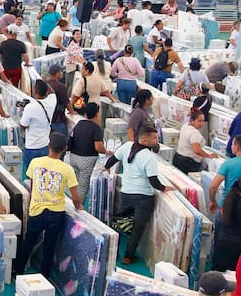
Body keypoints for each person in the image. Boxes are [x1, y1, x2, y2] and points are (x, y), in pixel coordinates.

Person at [17, 132, 82, 278]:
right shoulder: (67, 169)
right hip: (56, 213)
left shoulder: (36, 162)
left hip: (36, 210)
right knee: (49, 245)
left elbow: (33, 187)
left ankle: (18, 271)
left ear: (48, 145)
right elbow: (75, 197)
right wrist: (79, 207)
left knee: (28, 242)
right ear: (65, 148)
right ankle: (44, 276)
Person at [105, 122, 168, 266]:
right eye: (154, 138)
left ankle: (113, 253)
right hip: (144, 197)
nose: (157, 141)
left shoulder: (127, 146)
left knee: (122, 224)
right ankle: (128, 256)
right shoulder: (149, 157)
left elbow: (114, 158)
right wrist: (164, 188)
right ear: (144, 140)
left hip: (126, 193)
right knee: (137, 229)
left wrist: (106, 167)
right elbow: (153, 181)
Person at [66, 101, 106, 200]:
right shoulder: (96, 128)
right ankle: (78, 208)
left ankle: (71, 202)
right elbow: (98, 147)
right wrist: (106, 151)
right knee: (83, 187)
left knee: (74, 184)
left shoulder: (79, 123)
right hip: (87, 160)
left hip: (74, 157)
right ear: (97, 114)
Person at [172, 110, 217, 174]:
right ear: (192, 120)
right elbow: (197, 150)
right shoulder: (195, 133)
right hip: (188, 162)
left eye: (203, 121)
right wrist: (209, 156)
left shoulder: (185, 126)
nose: (201, 123)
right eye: (199, 121)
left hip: (177, 157)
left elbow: (179, 136)